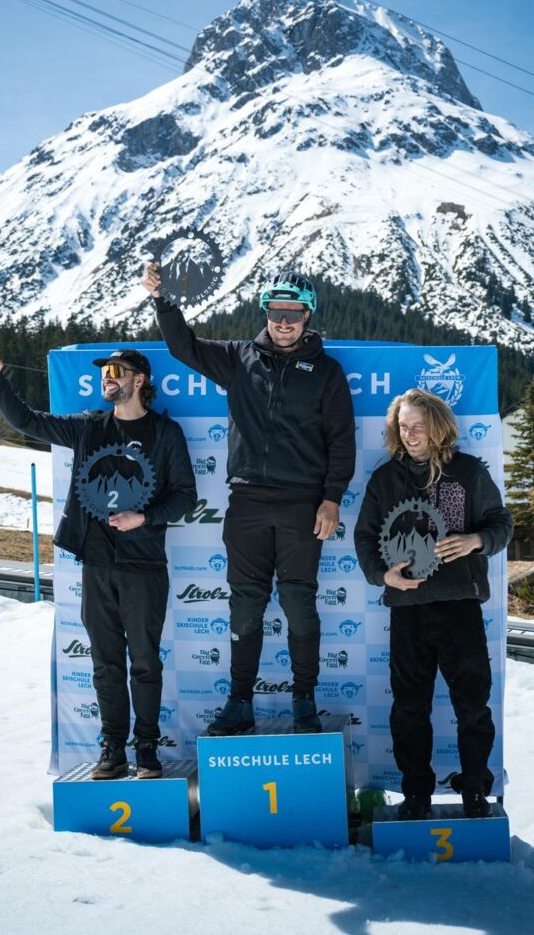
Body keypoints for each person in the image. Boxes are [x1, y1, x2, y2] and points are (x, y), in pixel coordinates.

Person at [142, 265, 356, 735]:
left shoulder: (327, 372)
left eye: (293, 314)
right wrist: (162, 301)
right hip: (247, 504)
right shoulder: (240, 358)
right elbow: (184, 347)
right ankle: (239, 703)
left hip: (303, 505)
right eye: (276, 313)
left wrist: (332, 499)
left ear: (308, 315)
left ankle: (304, 702)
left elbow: (342, 441)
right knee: (245, 606)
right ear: (266, 313)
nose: (284, 322)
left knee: (299, 602)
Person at [0, 348, 197, 780]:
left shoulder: (165, 432)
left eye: (116, 372)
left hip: (145, 565)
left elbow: (185, 497)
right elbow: (27, 421)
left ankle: (147, 749)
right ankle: (113, 749)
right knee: (105, 663)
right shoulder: (88, 427)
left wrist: (143, 518)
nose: (107, 379)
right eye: (104, 373)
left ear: (139, 380)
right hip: (96, 564)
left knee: (146, 662)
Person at [354, 388, 512, 819]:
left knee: (473, 706)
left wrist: (477, 539)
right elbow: (365, 537)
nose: (409, 434)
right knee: (408, 708)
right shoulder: (385, 479)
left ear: (437, 426)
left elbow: (502, 523)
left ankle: (476, 790)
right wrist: (381, 575)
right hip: (408, 608)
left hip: (460, 605)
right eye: (402, 427)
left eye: (417, 426)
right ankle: (416, 794)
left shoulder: (468, 472)